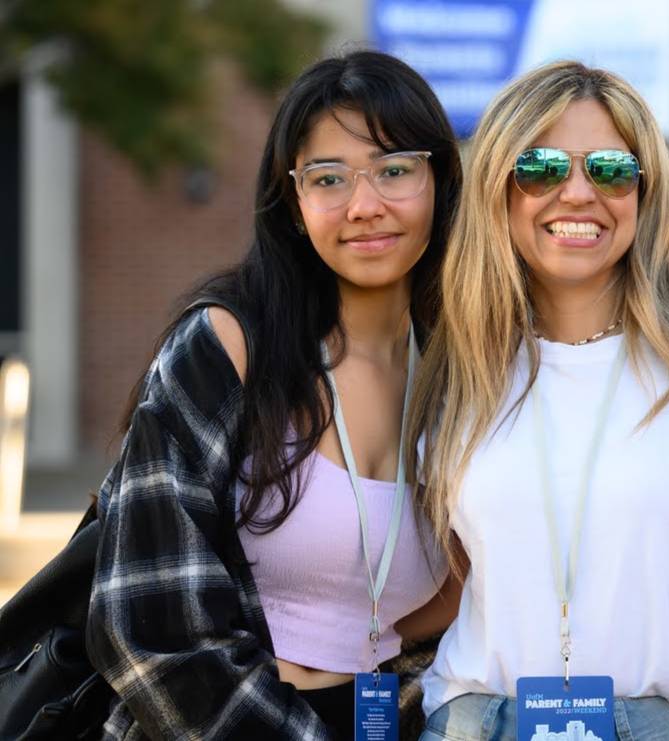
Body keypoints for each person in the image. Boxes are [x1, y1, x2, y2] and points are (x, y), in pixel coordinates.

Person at [85, 50, 462, 739]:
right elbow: (147, 625)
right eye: (328, 178)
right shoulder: (228, 347)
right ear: (293, 202)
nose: (364, 205)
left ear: (439, 179)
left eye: (395, 169)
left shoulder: (462, 374)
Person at [404, 61, 669, 740]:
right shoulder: (450, 368)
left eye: (609, 169)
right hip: (478, 722)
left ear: (644, 190)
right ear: (498, 187)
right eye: (541, 167)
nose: (577, 192)